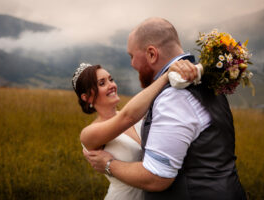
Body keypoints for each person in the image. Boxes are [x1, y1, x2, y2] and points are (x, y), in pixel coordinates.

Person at [83, 17, 247, 200]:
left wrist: (108, 164)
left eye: (132, 56)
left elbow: (157, 178)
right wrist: (167, 77)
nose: (132, 64)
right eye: (102, 83)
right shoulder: (208, 80)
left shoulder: (173, 96)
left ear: (152, 54)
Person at [72, 61, 198, 200]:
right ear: (87, 97)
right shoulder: (89, 134)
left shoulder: (138, 117)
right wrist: (166, 76)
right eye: (102, 83)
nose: (112, 85)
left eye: (111, 79)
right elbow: (128, 117)